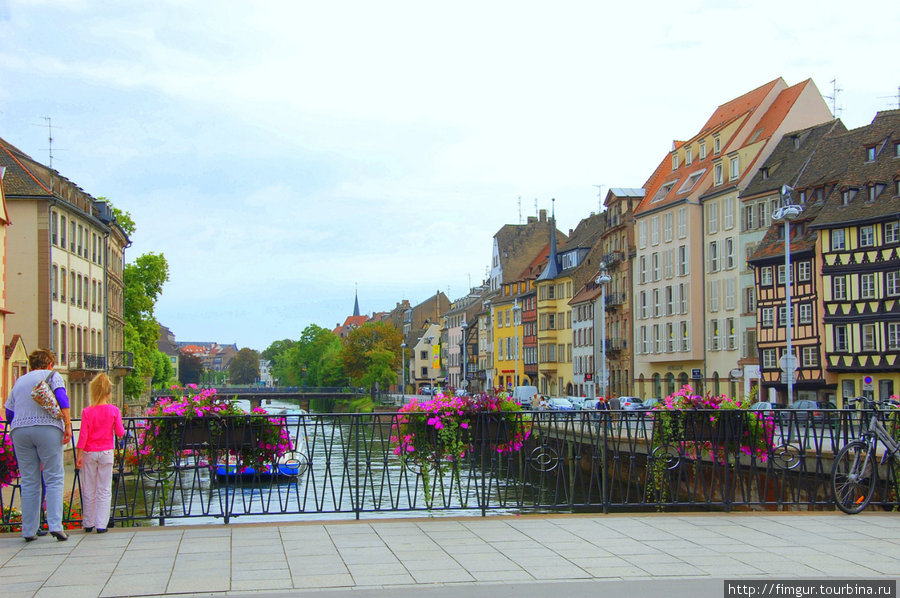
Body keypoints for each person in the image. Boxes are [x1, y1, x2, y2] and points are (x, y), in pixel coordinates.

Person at [4, 348, 72, 541]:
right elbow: (62, 399)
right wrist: (67, 424)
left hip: (20, 431)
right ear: (50, 363)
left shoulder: (20, 380)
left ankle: (28, 530)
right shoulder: (53, 375)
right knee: (54, 477)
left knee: (29, 480)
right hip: (48, 429)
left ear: (32, 364)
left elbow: (9, 412)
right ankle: (55, 525)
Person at [76, 373, 125, 534]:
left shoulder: (87, 412)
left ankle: (88, 522)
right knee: (104, 489)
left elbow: (83, 435)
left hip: (90, 452)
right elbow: (120, 432)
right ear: (109, 393)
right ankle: (101, 524)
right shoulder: (113, 410)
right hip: (106, 452)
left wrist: (79, 455)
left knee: (89, 488)